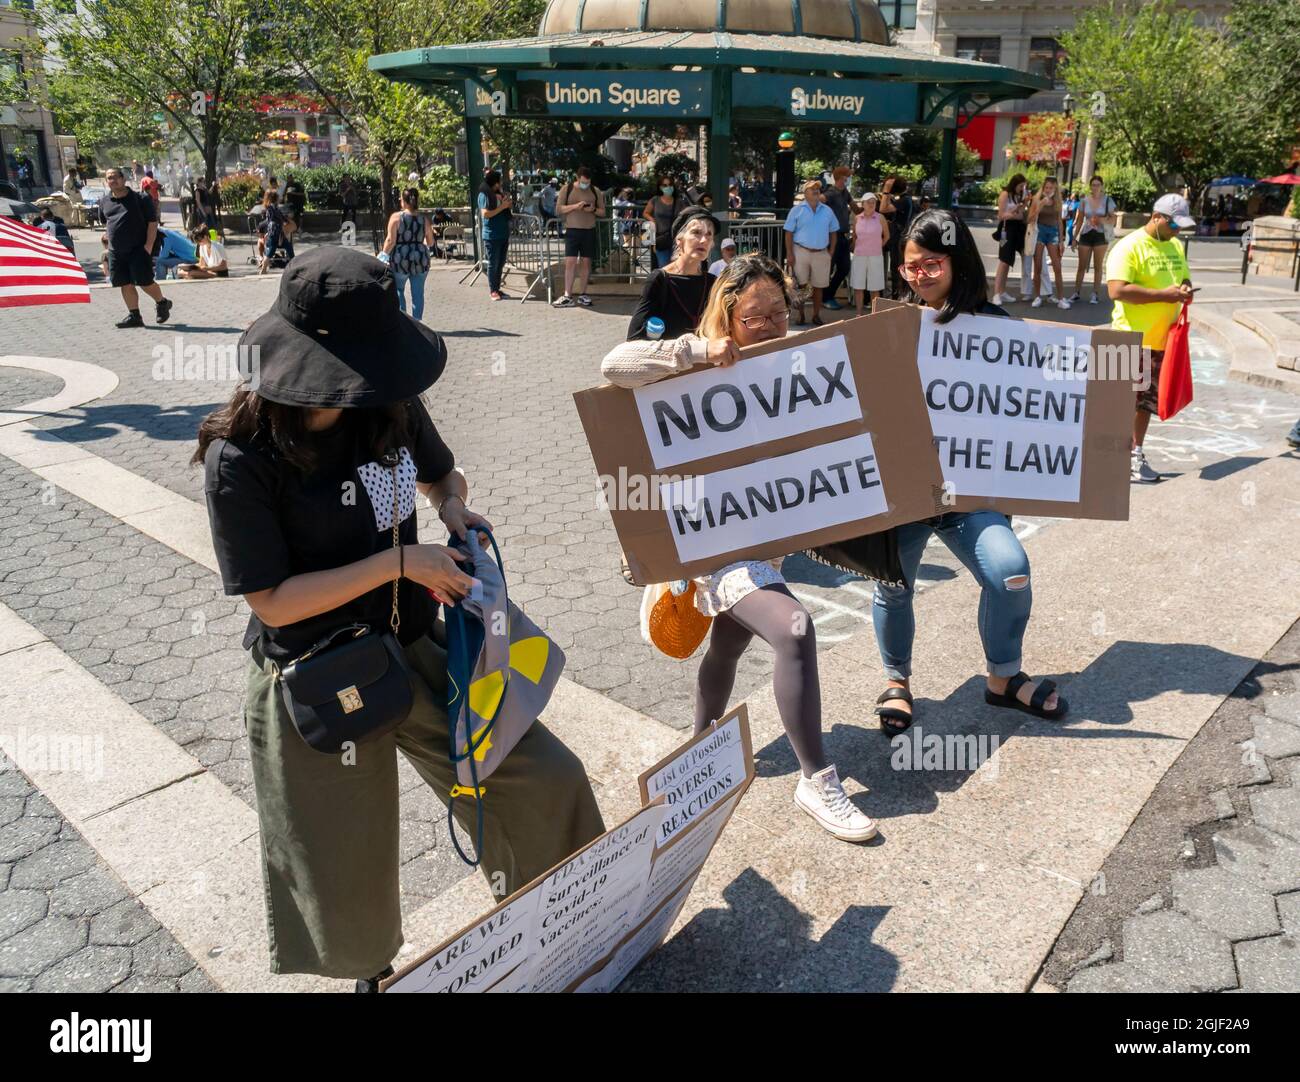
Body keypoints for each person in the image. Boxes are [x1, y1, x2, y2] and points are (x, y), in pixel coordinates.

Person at [196, 246, 604, 990]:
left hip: (415, 644)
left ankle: (566, 918)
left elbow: (440, 470)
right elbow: (273, 600)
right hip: (317, 675)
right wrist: (398, 563)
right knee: (345, 869)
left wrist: (450, 504)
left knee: (542, 777)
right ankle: (374, 977)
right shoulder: (240, 457)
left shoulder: (386, 399)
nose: (373, 385)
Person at [600, 252, 877, 843]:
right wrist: (696, 353)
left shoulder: (788, 358)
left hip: (767, 537)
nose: (775, 325)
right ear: (726, 315)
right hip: (714, 546)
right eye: (757, 318)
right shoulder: (689, 360)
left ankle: (700, 747)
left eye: (781, 312)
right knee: (794, 628)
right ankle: (816, 779)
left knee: (727, 644)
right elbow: (614, 365)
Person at [863, 208, 1066, 735]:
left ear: (958, 263)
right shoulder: (892, 324)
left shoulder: (999, 328)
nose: (920, 275)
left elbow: (1036, 406)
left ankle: (1003, 679)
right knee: (893, 585)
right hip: (906, 490)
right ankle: (896, 680)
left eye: (931, 264)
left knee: (1010, 572)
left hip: (970, 495)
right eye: (910, 267)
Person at [1107, 193, 1196, 484]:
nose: (1177, 231)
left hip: (1162, 341)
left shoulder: (1174, 245)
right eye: (1173, 225)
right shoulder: (1129, 246)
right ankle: (1106, 460)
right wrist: (1164, 295)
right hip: (1128, 340)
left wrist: (1184, 288)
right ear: (1157, 217)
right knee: (1118, 406)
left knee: (1144, 404)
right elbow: (1117, 290)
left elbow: (1184, 278)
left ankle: (1135, 455)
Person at [101, 167, 172, 328]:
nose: (112, 180)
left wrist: (148, 246)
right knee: (124, 283)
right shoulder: (105, 201)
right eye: (109, 178)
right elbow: (107, 222)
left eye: (115, 177)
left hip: (138, 249)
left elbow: (152, 224)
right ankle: (135, 315)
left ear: (123, 179)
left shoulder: (141, 199)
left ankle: (162, 303)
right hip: (116, 252)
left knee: (145, 281)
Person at [783, 179, 839, 326]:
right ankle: (801, 315)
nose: (815, 191)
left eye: (817, 189)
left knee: (818, 286)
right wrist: (789, 253)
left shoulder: (827, 211)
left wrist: (831, 252)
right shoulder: (796, 210)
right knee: (801, 285)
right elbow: (788, 233)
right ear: (805, 193)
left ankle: (816, 315)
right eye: (812, 189)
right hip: (800, 251)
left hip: (821, 253)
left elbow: (834, 232)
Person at [552, 166, 606, 308]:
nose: (585, 185)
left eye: (588, 182)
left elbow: (602, 212)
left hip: (589, 230)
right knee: (570, 262)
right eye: (583, 182)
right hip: (572, 230)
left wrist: (592, 209)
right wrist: (575, 206)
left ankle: (583, 293)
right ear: (577, 178)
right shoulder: (567, 188)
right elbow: (558, 209)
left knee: (586, 263)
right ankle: (567, 295)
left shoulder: (596, 191)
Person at [382, 187, 434, 321]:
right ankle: (418, 322)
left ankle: (403, 321)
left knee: (398, 290)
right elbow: (430, 242)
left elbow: (390, 240)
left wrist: (383, 254)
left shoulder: (396, 218)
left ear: (403, 201)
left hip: (400, 258)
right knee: (418, 294)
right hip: (420, 258)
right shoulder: (424, 219)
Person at [1069, 175, 1117, 306]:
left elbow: (1113, 219)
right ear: (1090, 186)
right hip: (1086, 233)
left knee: (1097, 266)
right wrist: (1074, 237)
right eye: (1093, 185)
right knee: (1081, 266)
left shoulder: (1108, 201)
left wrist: (1100, 220)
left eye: (1097, 185)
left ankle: (1095, 293)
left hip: (1101, 235)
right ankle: (1076, 292)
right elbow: (1079, 220)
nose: (1095, 187)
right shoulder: (1084, 200)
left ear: (1101, 187)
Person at [1027, 176, 1071, 310]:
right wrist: (1040, 205)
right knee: (1038, 266)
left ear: (1055, 188)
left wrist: (1062, 241)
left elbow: (1059, 221)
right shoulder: (1037, 198)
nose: (1048, 190)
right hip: (1039, 231)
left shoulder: (1058, 200)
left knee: (1057, 266)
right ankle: (1037, 297)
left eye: (1051, 187)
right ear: (1043, 187)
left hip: (1053, 233)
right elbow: (1030, 218)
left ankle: (1062, 298)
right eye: (1046, 187)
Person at [821, 166, 859, 310]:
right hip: (832, 236)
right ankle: (825, 297)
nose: (849, 179)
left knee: (844, 268)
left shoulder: (845, 193)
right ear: (842, 178)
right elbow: (818, 201)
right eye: (847, 177)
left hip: (842, 236)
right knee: (829, 268)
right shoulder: (830, 193)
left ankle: (828, 295)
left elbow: (856, 209)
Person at [991, 174, 1031, 306]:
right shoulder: (1005, 194)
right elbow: (1001, 215)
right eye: (1020, 186)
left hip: (1017, 229)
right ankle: (996, 293)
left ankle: (1002, 291)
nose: (1022, 188)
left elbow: (1021, 215)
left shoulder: (1017, 196)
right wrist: (1016, 210)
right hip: (1006, 229)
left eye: (1023, 186)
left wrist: (1024, 204)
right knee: (1004, 260)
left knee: (1009, 260)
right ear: (1015, 184)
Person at [476, 169, 512, 301]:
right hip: (492, 235)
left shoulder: (499, 193)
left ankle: (497, 288)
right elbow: (485, 214)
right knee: (493, 263)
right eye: (499, 181)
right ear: (494, 183)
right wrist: (502, 207)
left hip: (503, 233)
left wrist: (507, 204)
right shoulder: (484, 195)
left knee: (500, 263)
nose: (501, 184)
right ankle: (493, 290)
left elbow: (506, 208)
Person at [850, 192, 888, 314]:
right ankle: (859, 313)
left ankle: (874, 314)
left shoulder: (880, 218)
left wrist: (877, 246)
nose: (871, 204)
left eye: (874, 202)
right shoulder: (857, 218)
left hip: (875, 255)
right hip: (859, 255)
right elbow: (855, 236)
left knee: (875, 287)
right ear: (863, 204)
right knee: (858, 285)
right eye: (868, 202)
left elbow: (887, 236)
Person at [643, 173, 686, 270]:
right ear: (660, 187)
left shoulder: (679, 202)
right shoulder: (655, 200)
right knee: (664, 268)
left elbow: (686, 216)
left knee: (676, 268)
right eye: (665, 185)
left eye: (670, 185)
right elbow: (645, 212)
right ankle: (664, 285)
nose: (668, 187)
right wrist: (652, 220)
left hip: (676, 239)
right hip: (660, 238)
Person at [879, 175, 913, 298]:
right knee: (896, 267)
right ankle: (896, 294)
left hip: (898, 237)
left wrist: (886, 190)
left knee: (896, 268)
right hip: (898, 236)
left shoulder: (904, 200)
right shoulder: (904, 199)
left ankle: (897, 296)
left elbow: (883, 209)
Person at [257, 189, 293, 274]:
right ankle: (263, 270)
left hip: (276, 232)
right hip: (275, 232)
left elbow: (278, 217)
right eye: (278, 197)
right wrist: (286, 220)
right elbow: (280, 217)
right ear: (275, 198)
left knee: (286, 247)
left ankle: (264, 270)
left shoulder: (270, 207)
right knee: (272, 250)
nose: (280, 198)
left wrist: (285, 220)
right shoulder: (272, 207)